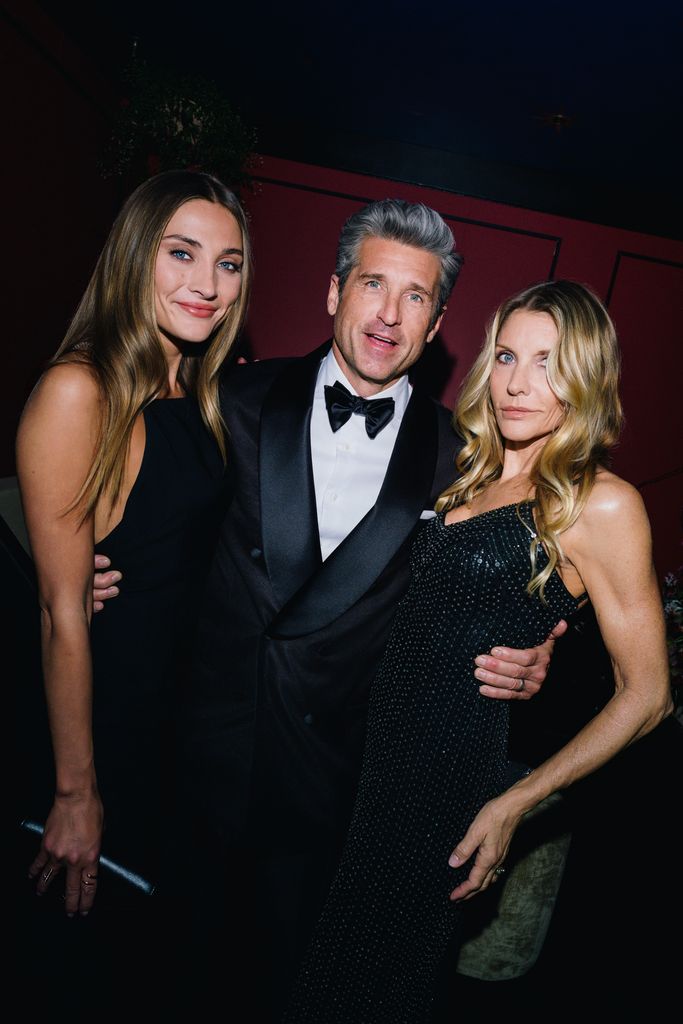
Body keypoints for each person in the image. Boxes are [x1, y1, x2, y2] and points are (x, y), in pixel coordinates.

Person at [81, 198, 569, 1019]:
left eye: (414, 296)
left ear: (437, 323)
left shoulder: (465, 462)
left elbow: (486, 587)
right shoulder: (229, 400)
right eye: (372, 284)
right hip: (192, 769)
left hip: (338, 793)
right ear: (334, 292)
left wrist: (530, 649)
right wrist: (80, 569)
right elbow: (145, 516)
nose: (388, 314)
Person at [283, 279, 673, 1023]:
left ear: (586, 376)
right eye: (506, 357)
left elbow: (648, 695)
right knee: (308, 969)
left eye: (547, 363)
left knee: (373, 988)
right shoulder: (467, 468)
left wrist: (515, 803)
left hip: (445, 781)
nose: (517, 384)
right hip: (361, 760)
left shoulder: (601, 503)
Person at [16, 170, 251, 931]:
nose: (207, 284)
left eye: (227, 263)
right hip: (100, 720)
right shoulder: (80, 391)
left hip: (173, 723)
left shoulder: (203, 396)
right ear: (133, 255)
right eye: (181, 253)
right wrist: (75, 793)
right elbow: (61, 614)